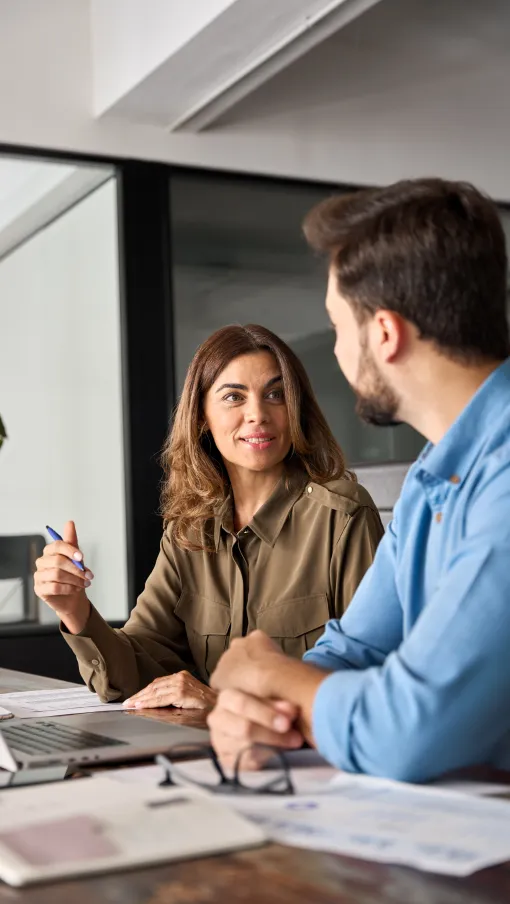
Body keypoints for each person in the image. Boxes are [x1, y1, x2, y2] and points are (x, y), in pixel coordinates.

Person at [207, 178, 510, 783]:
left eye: (338, 327)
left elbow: (408, 728)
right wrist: (267, 707)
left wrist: (265, 672)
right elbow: (354, 651)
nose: (338, 354)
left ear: (385, 334)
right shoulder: (434, 478)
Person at [34, 324, 383, 710]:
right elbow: (132, 672)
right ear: (202, 416)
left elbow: (371, 686)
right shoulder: (189, 529)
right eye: (234, 397)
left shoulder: (343, 516)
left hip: (309, 762)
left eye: (276, 394)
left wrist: (220, 703)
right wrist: (74, 609)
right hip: (205, 758)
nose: (258, 414)